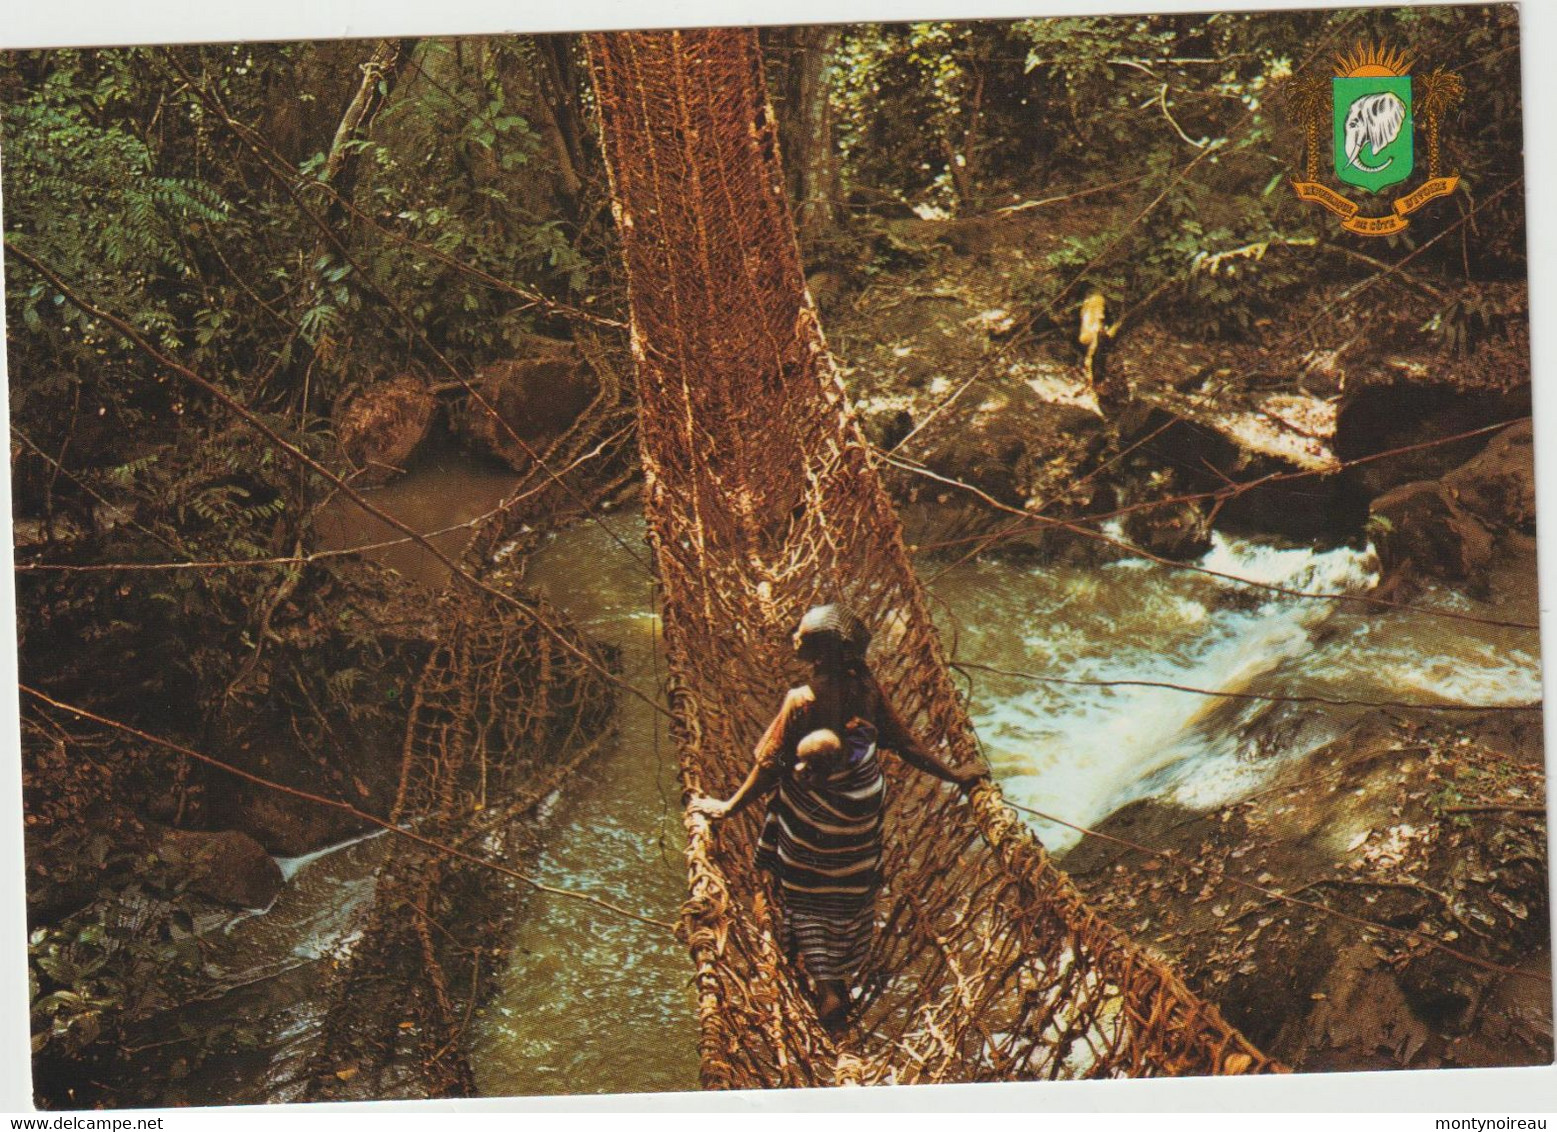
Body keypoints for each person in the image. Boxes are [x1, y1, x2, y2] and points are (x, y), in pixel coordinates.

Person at [689, 603, 987, 1030]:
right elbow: (906, 743)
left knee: (804, 898)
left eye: (803, 636)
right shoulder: (866, 691)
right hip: (857, 822)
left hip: (811, 825)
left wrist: (729, 807)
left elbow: (769, 766)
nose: (794, 637)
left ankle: (826, 984)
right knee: (845, 896)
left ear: (822, 653)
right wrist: (955, 776)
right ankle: (842, 973)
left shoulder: (801, 701)